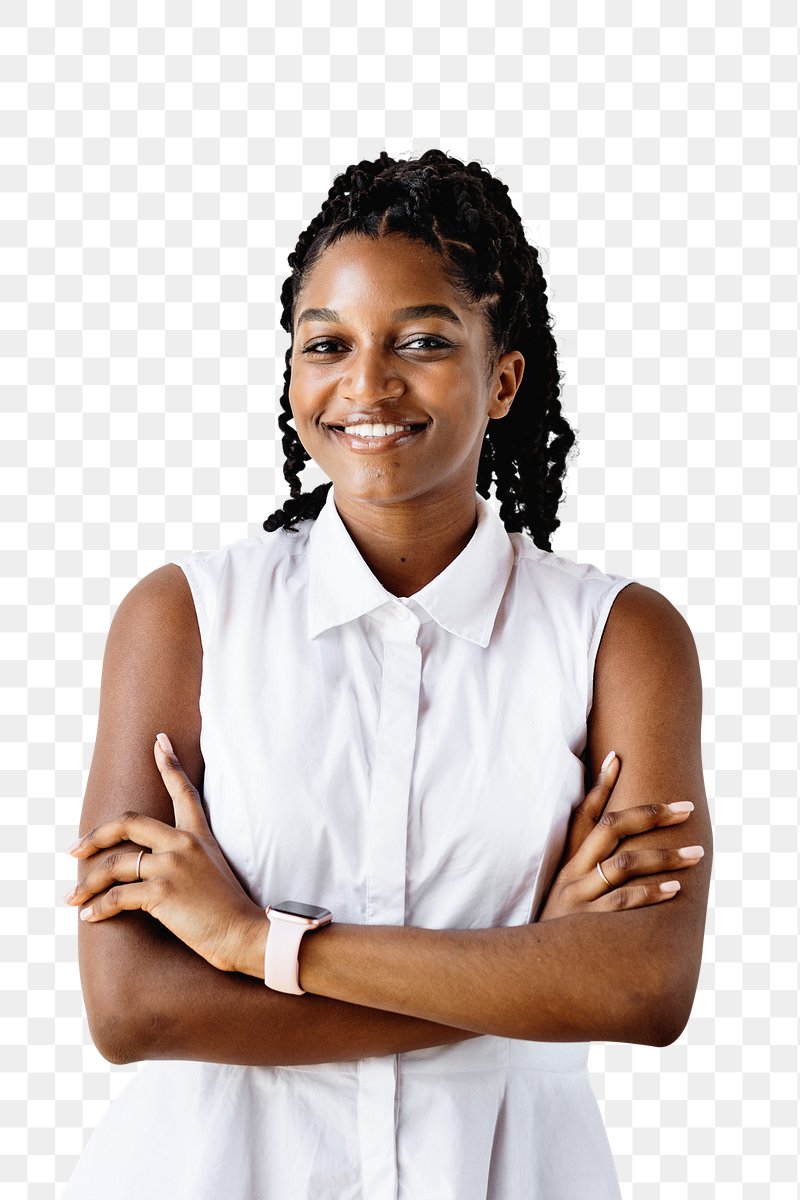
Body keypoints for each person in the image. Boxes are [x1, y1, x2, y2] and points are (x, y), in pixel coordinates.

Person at [61, 149, 712, 1199]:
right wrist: (532, 968)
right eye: (327, 344)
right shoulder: (183, 619)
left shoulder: (619, 638)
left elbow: (640, 986)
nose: (366, 386)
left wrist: (246, 941)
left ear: (502, 378)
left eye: (420, 341)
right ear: (290, 374)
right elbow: (133, 1009)